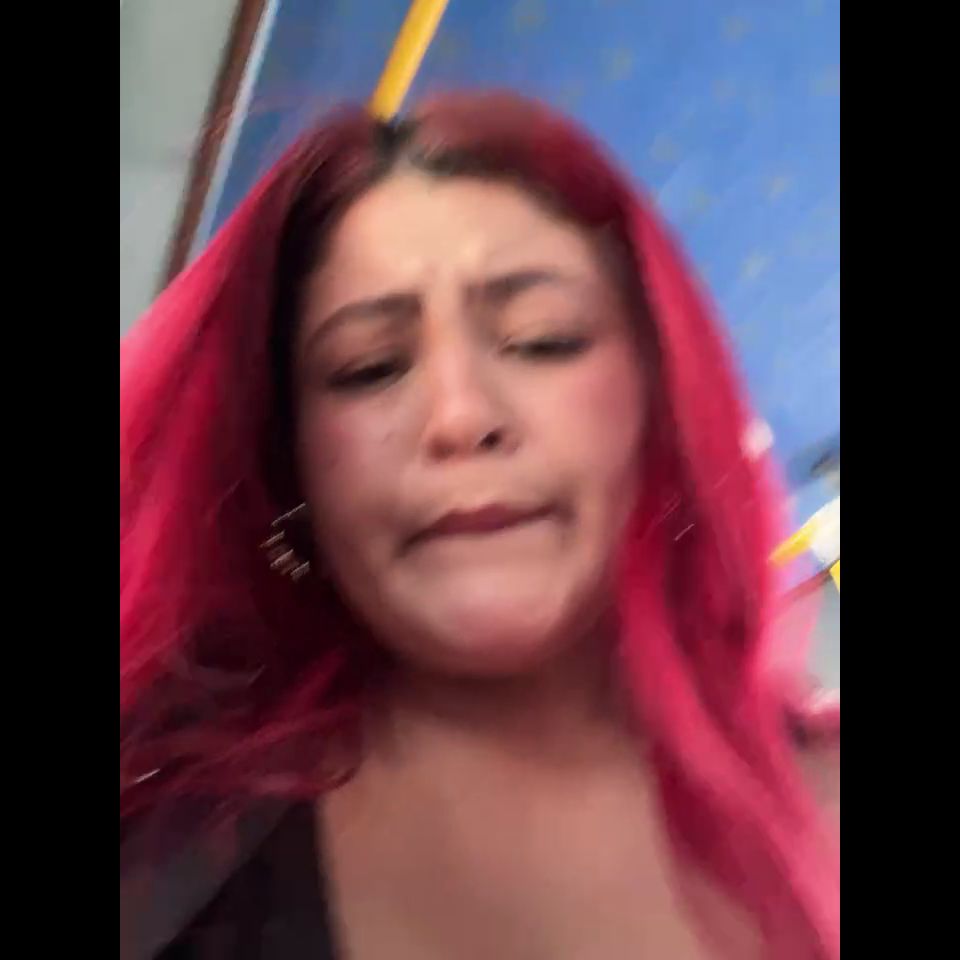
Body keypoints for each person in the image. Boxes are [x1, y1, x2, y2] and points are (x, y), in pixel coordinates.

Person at [120, 92, 839, 960]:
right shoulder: (166, 861)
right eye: (368, 368)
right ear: (291, 466)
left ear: (661, 396)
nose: (459, 417)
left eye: (542, 339)